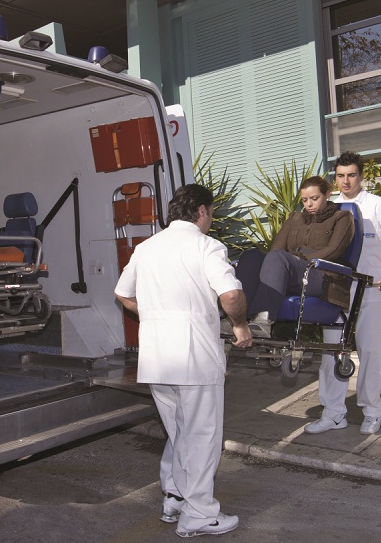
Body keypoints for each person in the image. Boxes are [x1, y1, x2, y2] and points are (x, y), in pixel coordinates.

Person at [114, 184, 251, 538]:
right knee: (201, 436)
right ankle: (199, 514)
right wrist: (240, 325)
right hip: (195, 356)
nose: (211, 220)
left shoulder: (146, 248)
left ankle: (174, 497)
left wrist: (156, 314)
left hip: (157, 357)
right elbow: (231, 294)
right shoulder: (207, 246)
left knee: (179, 432)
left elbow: (122, 293)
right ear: (202, 211)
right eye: (212, 213)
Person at [305, 151, 381, 436]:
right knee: (332, 352)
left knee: (369, 352)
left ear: (361, 176)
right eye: (340, 176)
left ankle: (373, 412)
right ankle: (333, 413)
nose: (346, 181)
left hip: (371, 288)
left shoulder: (377, 205)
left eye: (351, 175)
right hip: (335, 288)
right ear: (334, 178)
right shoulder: (329, 208)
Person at [235, 176, 355, 338]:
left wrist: (298, 259)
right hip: (290, 273)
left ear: (327, 194)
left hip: (321, 275)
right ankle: (238, 321)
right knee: (252, 256)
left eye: (314, 199)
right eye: (304, 200)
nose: (309, 204)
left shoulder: (342, 217)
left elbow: (334, 251)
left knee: (278, 258)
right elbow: (277, 248)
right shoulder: (295, 219)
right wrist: (290, 260)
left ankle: (263, 320)